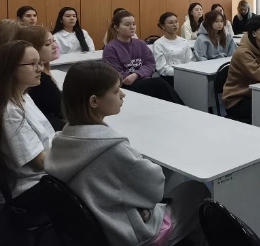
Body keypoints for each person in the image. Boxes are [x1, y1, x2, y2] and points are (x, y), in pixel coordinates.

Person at [45, 62, 209, 246]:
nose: (123, 94)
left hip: (100, 227)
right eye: (116, 91)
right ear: (94, 101)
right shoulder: (112, 149)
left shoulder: (63, 140)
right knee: (197, 191)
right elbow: (155, 188)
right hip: (132, 235)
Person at [0, 41, 55, 211]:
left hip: (49, 173)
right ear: (11, 68)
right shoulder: (10, 111)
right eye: (32, 64)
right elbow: (38, 162)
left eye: (40, 63)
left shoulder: (24, 96)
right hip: (34, 186)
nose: (40, 69)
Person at [103, 10, 184, 105]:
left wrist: (136, 74)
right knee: (159, 83)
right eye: (127, 25)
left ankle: (179, 108)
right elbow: (115, 73)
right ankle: (182, 108)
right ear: (116, 27)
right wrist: (135, 76)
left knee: (159, 88)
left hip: (143, 80)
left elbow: (151, 65)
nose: (132, 27)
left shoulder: (140, 44)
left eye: (134, 24)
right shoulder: (111, 48)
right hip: (125, 86)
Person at [14, 25, 65, 131]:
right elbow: (60, 109)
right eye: (47, 44)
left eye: (54, 41)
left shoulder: (43, 74)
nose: (55, 46)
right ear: (33, 49)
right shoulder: (40, 81)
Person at [153, 12, 193, 88]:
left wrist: (187, 72)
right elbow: (162, 68)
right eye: (171, 23)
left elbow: (189, 60)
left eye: (176, 22)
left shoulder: (184, 41)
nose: (175, 25)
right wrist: (180, 73)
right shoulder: (158, 44)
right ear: (163, 26)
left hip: (186, 75)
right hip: (168, 78)